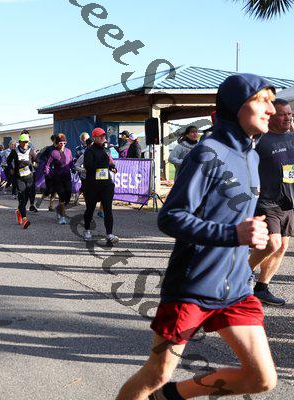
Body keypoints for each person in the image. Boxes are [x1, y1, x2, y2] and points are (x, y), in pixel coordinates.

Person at [117, 74, 277, 400]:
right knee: (157, 373)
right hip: (193, 286)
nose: (271, 110)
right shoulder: (208, 153)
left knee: (262, 378)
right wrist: (232, 233)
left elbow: (231, 216)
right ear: (236, 105)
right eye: (262, 100)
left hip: (236, 288)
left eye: (272, 102)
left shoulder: (252, 155)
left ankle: (170, 396)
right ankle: (160, 391)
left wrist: (254, 232)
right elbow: (171, 217)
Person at [248, 98, 294, 306]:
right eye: (283, 114)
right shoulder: (259, 140)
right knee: (272, 243)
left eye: (290, 114)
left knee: (282, 246)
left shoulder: (292, 137)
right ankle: (239, 274)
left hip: (288, 201)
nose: (288, 117)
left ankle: (261, 287)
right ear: (271, 116)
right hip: (266, 200)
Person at [80, 128, 119, 244]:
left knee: (108, 209)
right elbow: (88, 166)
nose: (103, 138)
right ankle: (87, 230)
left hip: (106, 184)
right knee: (90, 209)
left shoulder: (106, 150)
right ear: (95, 138)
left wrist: (112, 167)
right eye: (100, 136)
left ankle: (109, 235)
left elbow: (109, 163)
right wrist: (101, 164)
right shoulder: (89, 151)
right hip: (92, 185)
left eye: (104, 136)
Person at [7, 132, 37, 229]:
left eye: (26, 142)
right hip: (18, 178)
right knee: (22, 197)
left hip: (29, 177)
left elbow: (36, 160)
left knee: (26, 198)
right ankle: (24, 219)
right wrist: (11, 168)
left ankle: (19, 211)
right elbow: (8, 161)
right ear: (19, 142)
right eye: (23, 142)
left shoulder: (31, 151)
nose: (25, 144)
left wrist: (33, 165)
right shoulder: (14, 151)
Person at [44, 133, 73, 225]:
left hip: (67, 177)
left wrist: (75, 169)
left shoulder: (68, 151)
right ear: (57, 143)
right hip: (57, 178)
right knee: (62, 196)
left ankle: (58, 208)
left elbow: (71, 163)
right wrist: (47, 173)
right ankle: (62, 217)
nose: (62, 145)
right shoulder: (54, 153)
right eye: (60, 143)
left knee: (68, 196)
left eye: (64, 143)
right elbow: (47, 165)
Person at [35, 134, 58, 211]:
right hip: (49, 171)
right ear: (53, 140)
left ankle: (51, 206)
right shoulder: (48, 149)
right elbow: (39, 157)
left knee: (55, 189)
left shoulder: (61, 149)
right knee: (49, 189)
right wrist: (45, 164)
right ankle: (41, 199)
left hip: (57, 172)